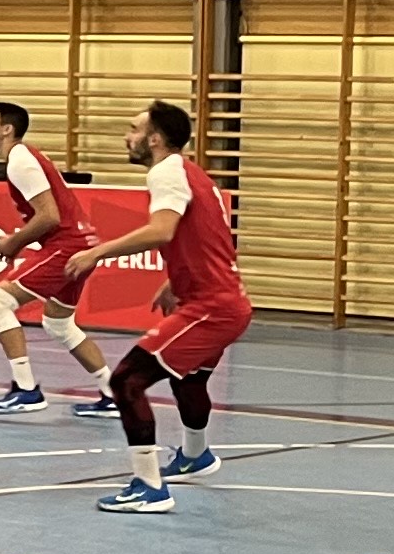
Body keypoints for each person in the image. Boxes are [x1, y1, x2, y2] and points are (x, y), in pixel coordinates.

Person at [54, 99, 253, 515]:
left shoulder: (165, 172)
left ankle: (149, 488)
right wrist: (173, 280)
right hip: (225, 301)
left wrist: (98, 252)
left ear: (156, 139)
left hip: (211, 308)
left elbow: (162, 231)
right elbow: (207, 238)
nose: (127, 136)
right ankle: (195, 456)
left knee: (127, 381)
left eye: (134, 129)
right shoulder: (194, 174)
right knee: (188, 380)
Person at [0, 98, 113, 417]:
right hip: (79, 244)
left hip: (68, 246)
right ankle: (114, 394)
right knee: (59, 323)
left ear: (6, 129)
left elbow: (49, 216)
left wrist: (13, 243)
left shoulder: (20, 159)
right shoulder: (25, 156)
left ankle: (26, 391)